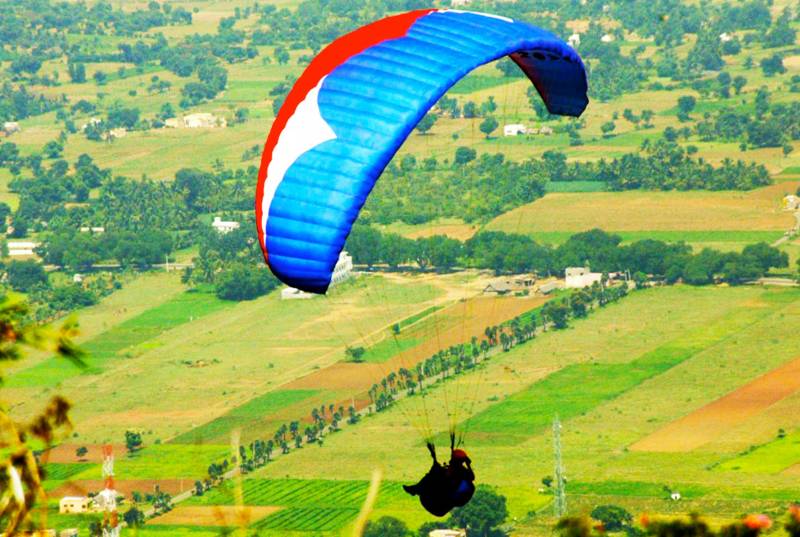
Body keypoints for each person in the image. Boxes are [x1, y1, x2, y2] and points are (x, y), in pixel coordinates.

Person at [403, 439, 476, 517]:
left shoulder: (460, 473)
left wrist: (435, 461)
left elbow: (444, 478)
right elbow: (470, 477)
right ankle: (415, 489)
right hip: (439, 504)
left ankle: (415, 489)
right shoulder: (461, 472)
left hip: (436, 504)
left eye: (452, 459)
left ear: (456, 461)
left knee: (433, 476)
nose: (450, 460)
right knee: (435, 474)